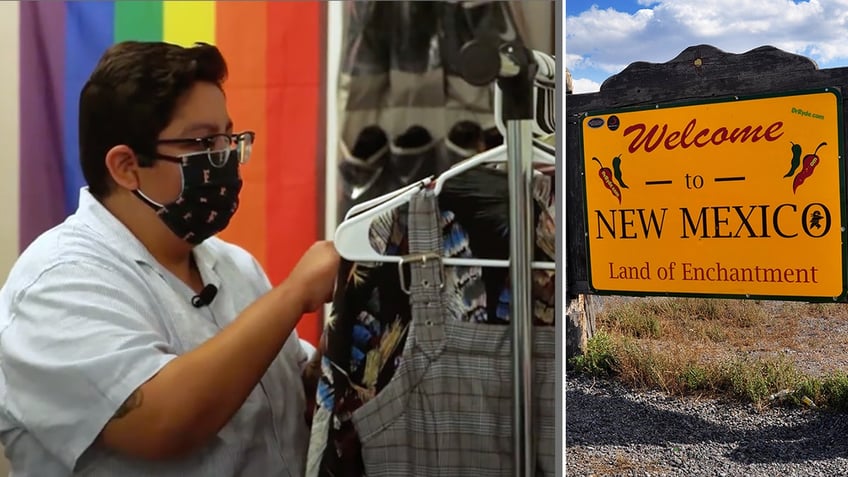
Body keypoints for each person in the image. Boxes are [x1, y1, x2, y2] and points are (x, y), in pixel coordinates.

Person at [0, 41, 339, 476]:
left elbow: (298, 401)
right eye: (202, 141)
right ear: (125, 166)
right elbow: (162, 422)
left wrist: (342, 342)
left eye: (228, 138)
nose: (226, 158)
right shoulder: (55, 281)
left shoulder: (234, 266)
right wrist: (295, 294)